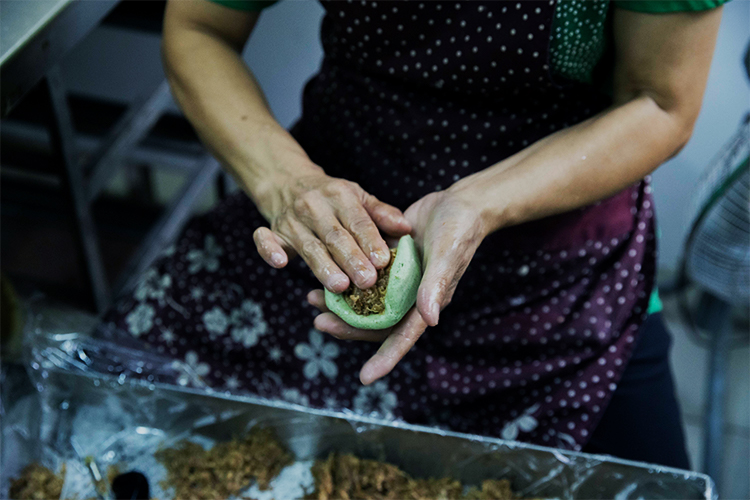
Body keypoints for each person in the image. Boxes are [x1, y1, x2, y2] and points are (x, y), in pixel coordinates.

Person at [103, 0, 726, 468]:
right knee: (125, 427)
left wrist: (481, 202)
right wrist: (287, 184)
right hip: (328, 237)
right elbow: (199, 28)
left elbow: (661, 102)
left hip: (559, 278)